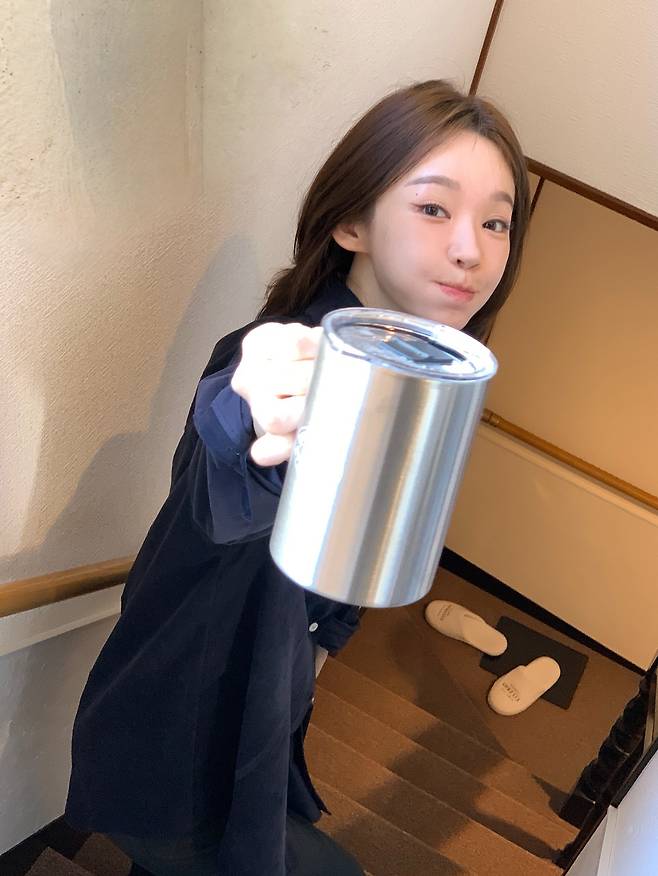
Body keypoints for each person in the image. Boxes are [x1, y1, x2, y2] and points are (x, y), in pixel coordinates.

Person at [65, 79, 531, 875]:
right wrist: (253, 411)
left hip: (255, 726)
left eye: (496, 221)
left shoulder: (406, 392)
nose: (472, 249)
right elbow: (237, 442)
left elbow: (340, 577)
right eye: (433, 208)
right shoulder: (283, 360)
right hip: (171, 754)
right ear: (352, 224)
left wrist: (318, 652)